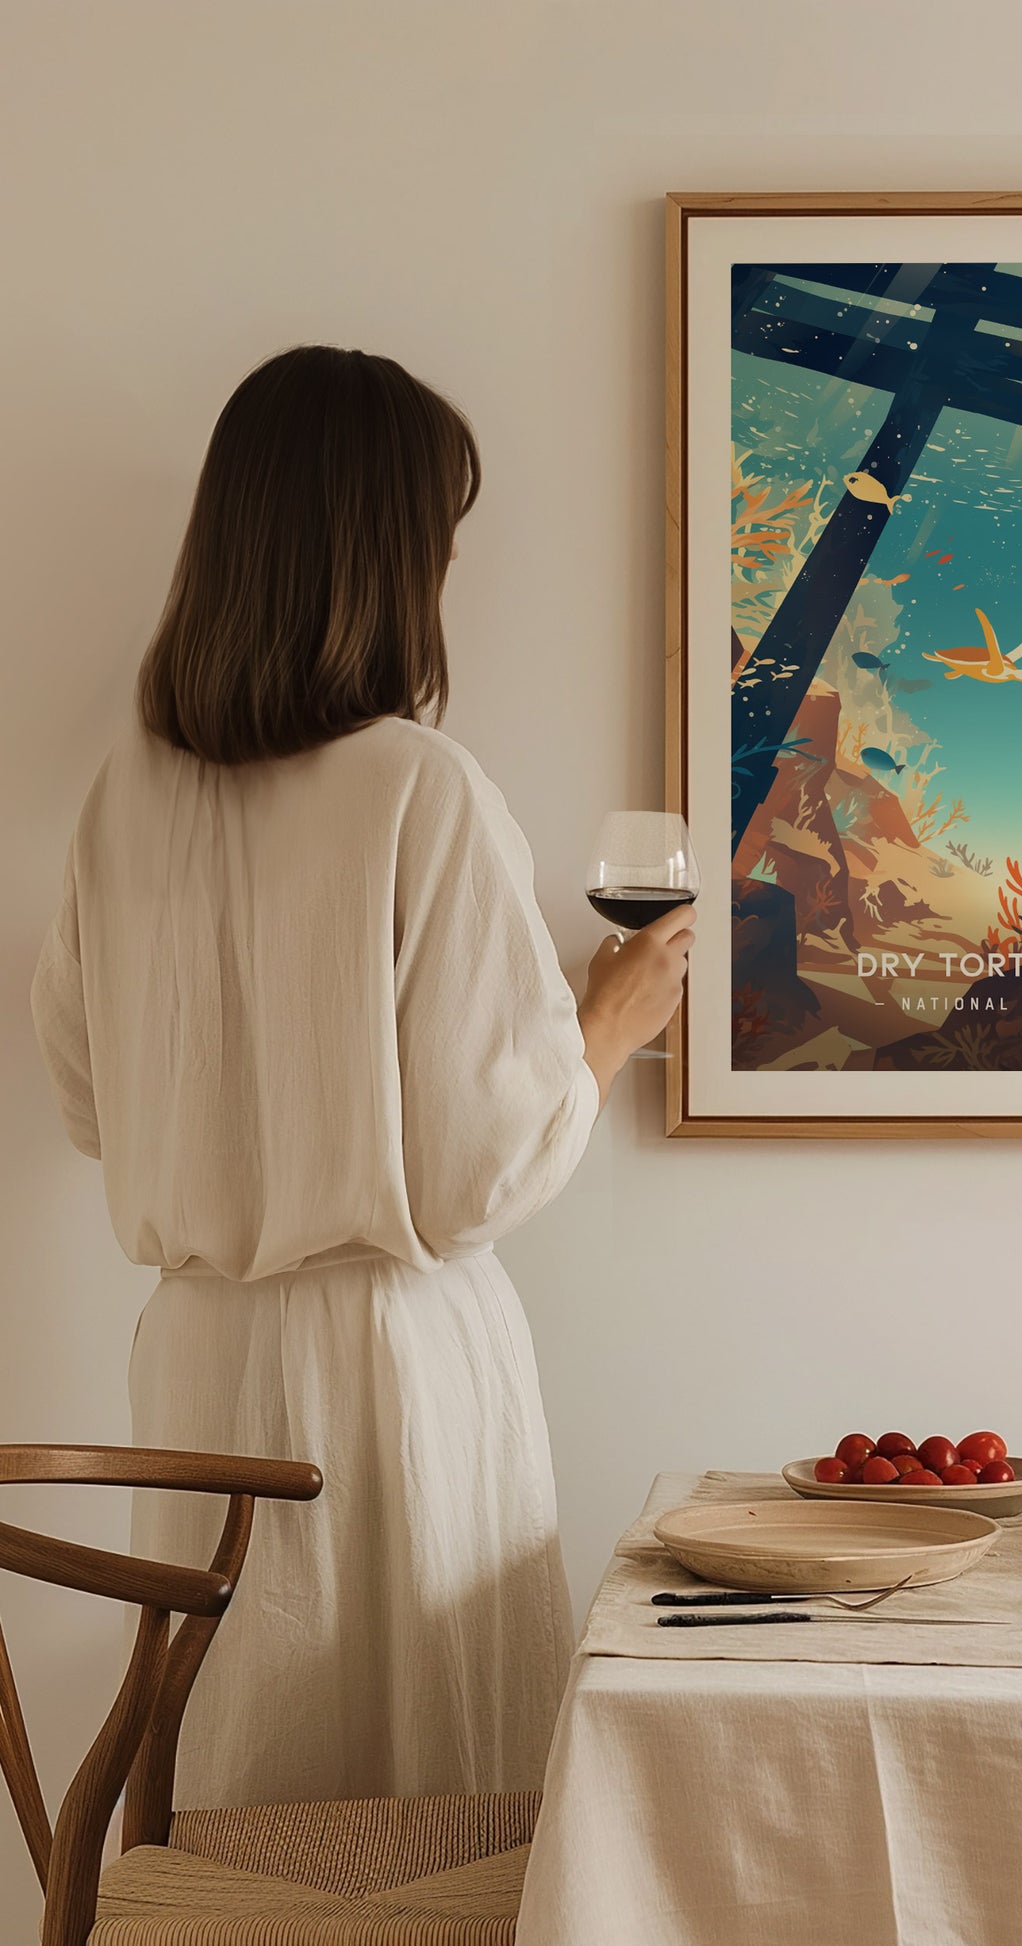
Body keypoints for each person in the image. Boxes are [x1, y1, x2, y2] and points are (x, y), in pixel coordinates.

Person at [29, 345, 690, 1806]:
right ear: (388, 556)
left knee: (241, 1788)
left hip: (197, 1360)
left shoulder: (122, 797)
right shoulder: (417, 785)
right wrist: (607, 1018)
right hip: (390, 1371)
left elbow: (87, 1100)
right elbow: (474, 1173)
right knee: (423, 1809)